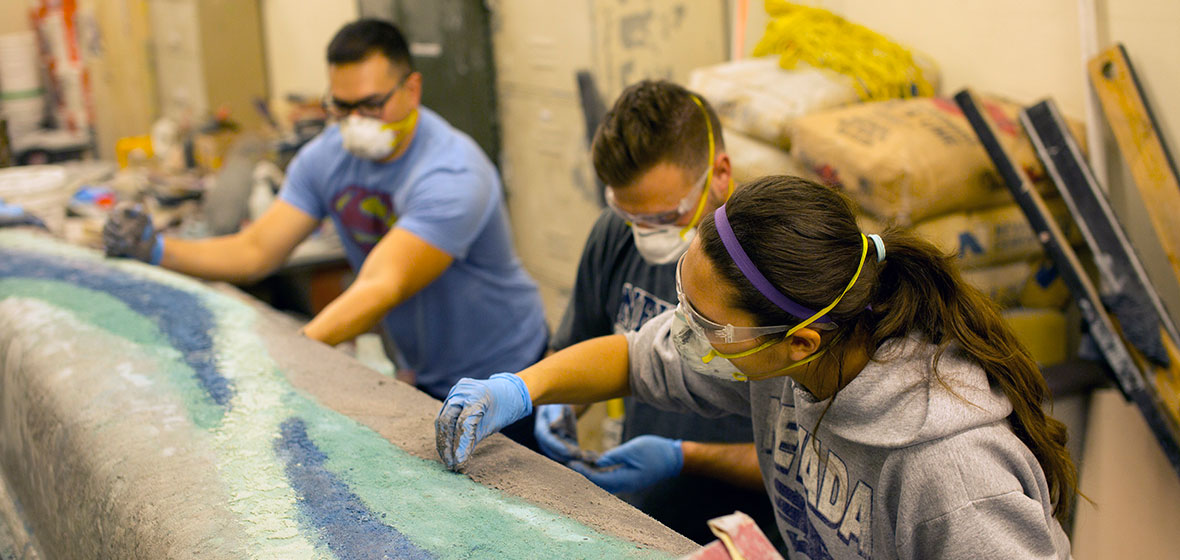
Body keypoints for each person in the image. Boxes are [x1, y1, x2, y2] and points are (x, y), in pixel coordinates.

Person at [437, 175, 1077, 558]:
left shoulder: (953, 475)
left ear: (800, 341)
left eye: (704, 323)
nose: (683, 332)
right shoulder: (783, 357)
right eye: (683, 300)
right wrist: (521, 388)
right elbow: (633, 356)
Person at [103, 20, 548, 431]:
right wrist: (158, 250)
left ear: (411, 90)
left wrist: (292, 355)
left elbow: (383, 283)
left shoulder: (452, 173)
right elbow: (256, 249)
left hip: (504, 373)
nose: (357, 122)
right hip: (425, 374)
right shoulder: (326, 157)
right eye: (342, 106)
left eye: (373, 105)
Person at [530, 80, 777, 545]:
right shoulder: (616, 236)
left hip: (737, 537)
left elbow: (805, 465)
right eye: (630, 216)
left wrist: (685, 455)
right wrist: (550, 396)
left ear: (719, 174)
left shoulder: (771, 273)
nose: (645, 233)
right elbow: (584, 348)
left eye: (664, 219)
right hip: (639, 522)